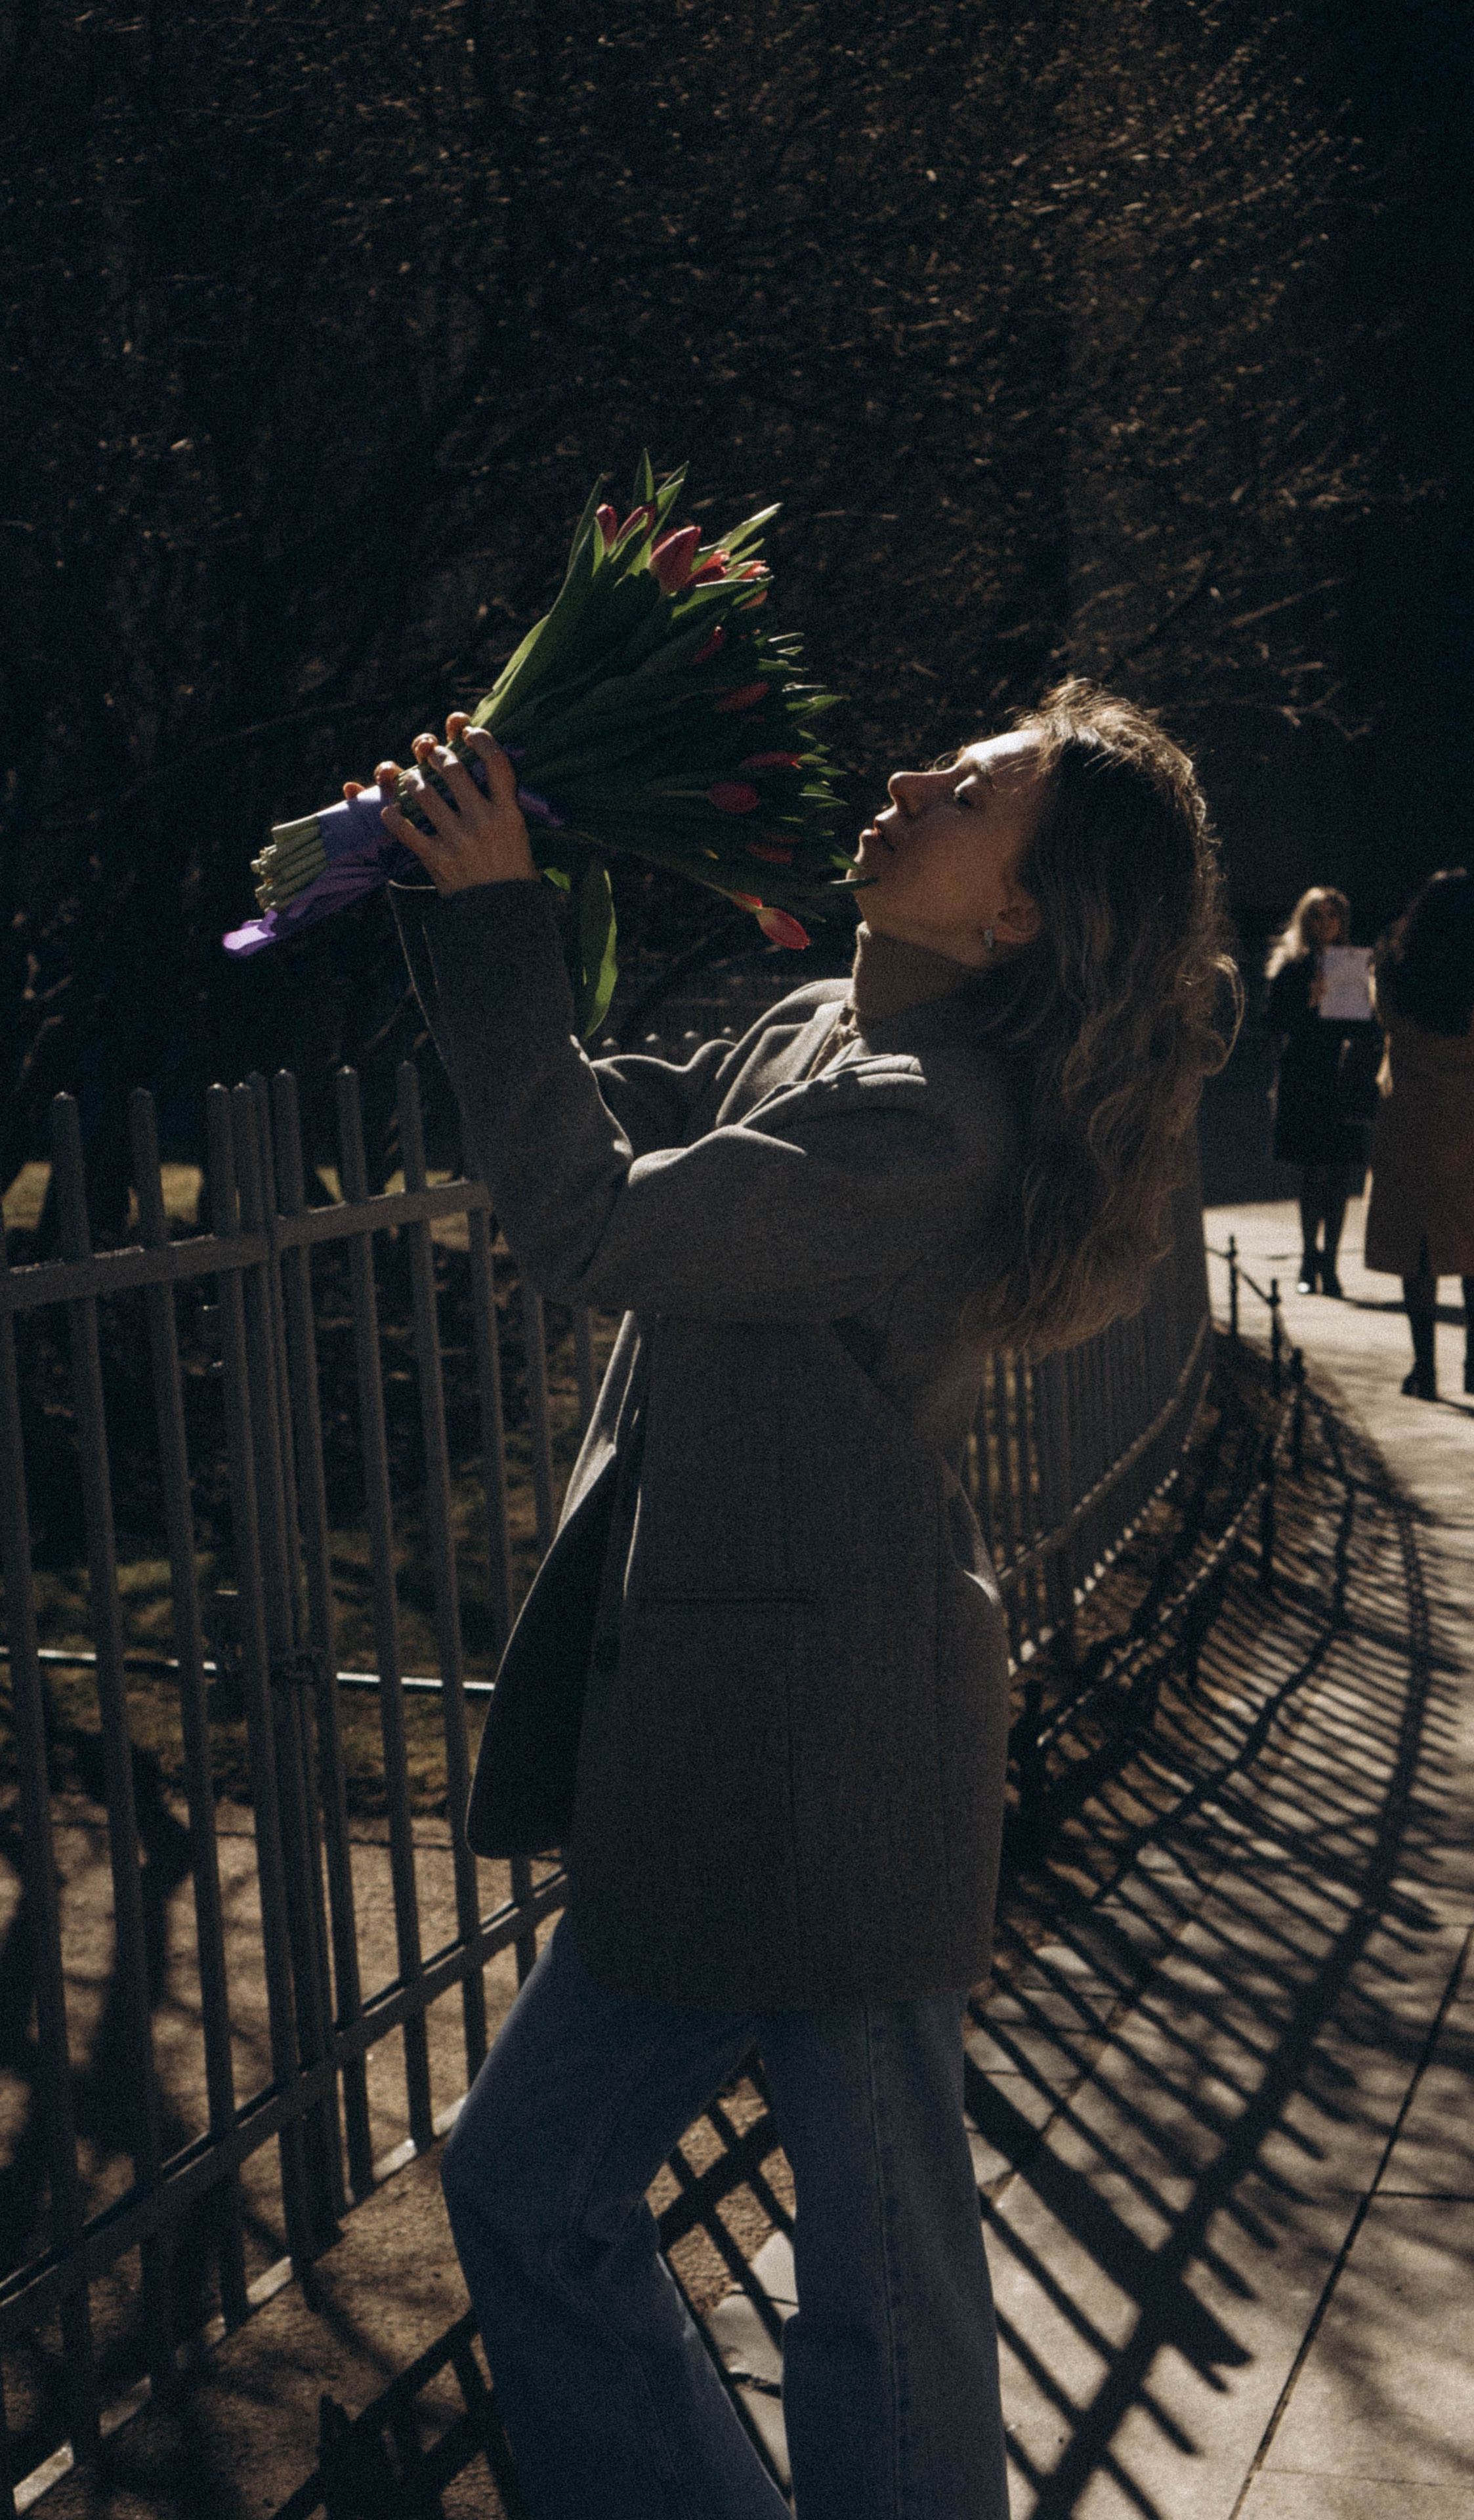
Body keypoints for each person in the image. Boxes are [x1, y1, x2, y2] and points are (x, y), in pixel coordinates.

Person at [356, 679, 1234, 2520]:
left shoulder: (934, 1122)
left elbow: (601, 1226)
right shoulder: (824, 1031)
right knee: (533, 2186)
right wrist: (467, 892)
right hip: (723, 1738)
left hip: (836, 1755)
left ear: (1018, 915)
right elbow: (602, 1132)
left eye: (969, 792)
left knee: (880, 2283)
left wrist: (506, 925)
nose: (910, 778)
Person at [1364, 870, 1474, 1399]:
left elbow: (1382, 1014)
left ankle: (1424, 1369)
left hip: (1413, 1120)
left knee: (1418, 1245)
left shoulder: (1393, 972)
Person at [1263, 885, 1372, 1296]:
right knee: (1314, 1171)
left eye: (1332, 915)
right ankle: (1309, 1259)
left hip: (1344, 1076)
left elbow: (1366, 1028)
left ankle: (1332, 1262)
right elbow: (1272, 1022)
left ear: (1342, 921)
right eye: (1317, 915)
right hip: (1306, 1075)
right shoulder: (1293, 965)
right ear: (1305, 920)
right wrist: (1308, 1003)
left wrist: (1366, 1000)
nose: (1325, 923)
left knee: (1341, 1173)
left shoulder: (1352, 964)